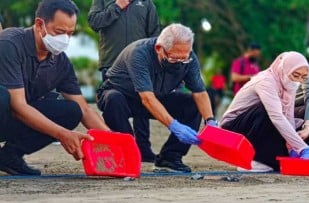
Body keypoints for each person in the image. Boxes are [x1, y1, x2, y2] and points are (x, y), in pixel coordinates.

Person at [0, 0, 110, 176]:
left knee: (72, 111)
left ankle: (9, 156)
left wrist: (113, 140)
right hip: (5, 110)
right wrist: (62, 134)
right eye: (59, 32)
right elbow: (18, 106)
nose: (64, 39)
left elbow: (84, 109)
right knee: (2, 96)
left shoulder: (60, 62)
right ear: (39, 24)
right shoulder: (10, 43)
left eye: (70, 33)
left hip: (15, 119)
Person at [96, 23, 216, 173]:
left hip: (158, 96)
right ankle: (126, 154)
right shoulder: (139, 53)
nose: (179, 62)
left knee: (191, 104)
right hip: (123, 96)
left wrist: (210, 121)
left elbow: (199, 92)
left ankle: (169, 157)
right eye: (173, 58)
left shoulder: (188, 57)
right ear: (159, 49)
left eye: (183, 59)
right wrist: (174, 125)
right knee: (113, 99)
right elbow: (147, 98)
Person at [88, 0, 161, 163]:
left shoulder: (147, 3)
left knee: (143, 101)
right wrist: (116, 6)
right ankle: (121, 146)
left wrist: (153, 61)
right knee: (113, 103)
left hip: (141, 63)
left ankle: (143, 148)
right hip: (111, 62)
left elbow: (155, 33)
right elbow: (94, 22)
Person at [220, 52, 309, 172]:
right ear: (284, 69)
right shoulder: (266, 81)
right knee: (270, 112)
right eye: (295, 75)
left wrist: (293, 147)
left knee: (299, 125)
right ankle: (254, 160)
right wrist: (302, 148)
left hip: (261, 124)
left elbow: (289, 116)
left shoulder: (288, 85)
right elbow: (276, 116)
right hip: (234, 128)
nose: (298, 80)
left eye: (303, 77)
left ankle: (270, 159)